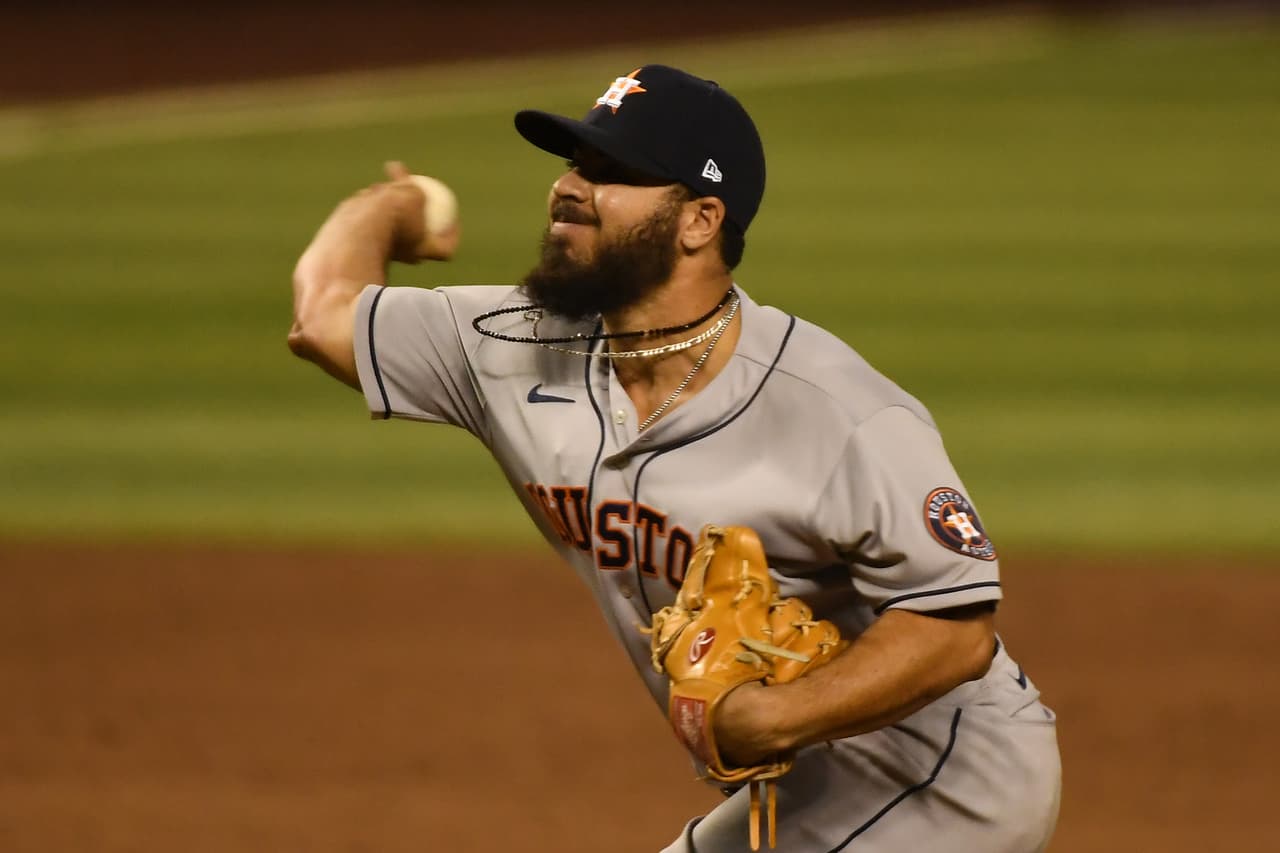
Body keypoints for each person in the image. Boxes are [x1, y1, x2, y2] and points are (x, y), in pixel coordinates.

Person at [288, 64, 1061, 852]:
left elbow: (956, 628)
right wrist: (389, 207)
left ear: (700, 220)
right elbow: (323, 318)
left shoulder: (839, 410)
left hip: (951, 780)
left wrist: (773, 715)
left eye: (613, 172)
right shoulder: (511, 343)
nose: (570, 187)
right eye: (575, 164)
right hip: (814, 787)